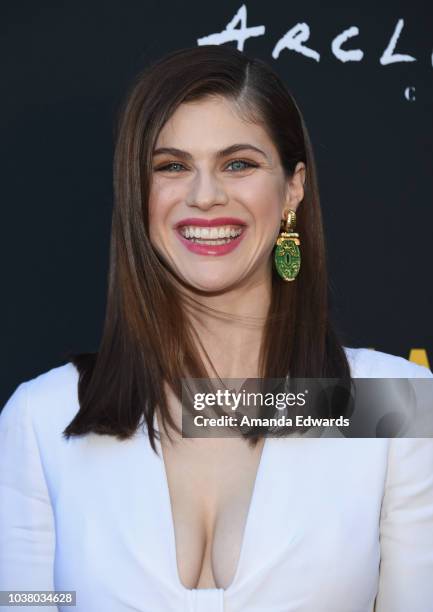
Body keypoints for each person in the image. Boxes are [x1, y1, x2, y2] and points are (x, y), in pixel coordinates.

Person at [1, 45, 432, 612]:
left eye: (239, 164)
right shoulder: (44, 418)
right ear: (138, 193)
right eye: (172, 166)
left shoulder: (390, 406)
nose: (205, 196)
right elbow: (24, 601)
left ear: (293, 189)